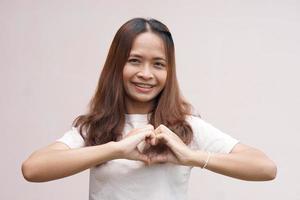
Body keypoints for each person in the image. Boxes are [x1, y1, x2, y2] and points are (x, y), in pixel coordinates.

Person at [21, 17, 277, 200]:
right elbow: (32, 169)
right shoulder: (95, 128)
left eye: (158, 64)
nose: (146, 74)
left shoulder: (183, 127)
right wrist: (115, 150)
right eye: (134, 61)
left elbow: (265, 168)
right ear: (116, 66)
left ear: (169, 70)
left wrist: (191, 157)